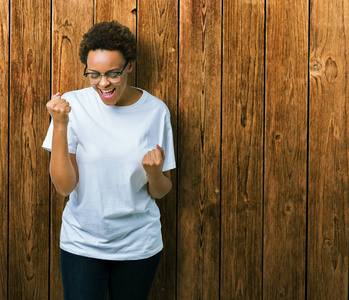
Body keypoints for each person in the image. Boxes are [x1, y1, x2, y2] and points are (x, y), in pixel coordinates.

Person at [42, 20, 176, 300]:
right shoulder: (71, 106)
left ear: (129, 67)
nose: (103, 83)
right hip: (82, 244)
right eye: (94, 75)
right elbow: (64, 187)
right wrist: (60, 125)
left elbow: (162, 191)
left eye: (113, 73)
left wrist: (153, 173)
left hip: (139, 245)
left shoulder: (156, 112)